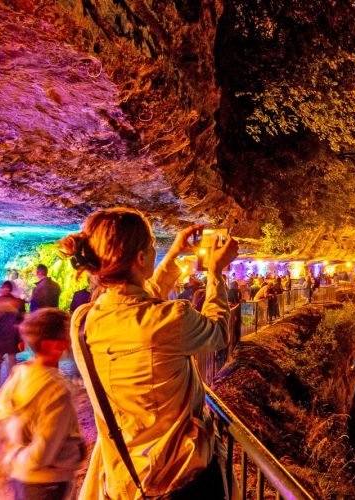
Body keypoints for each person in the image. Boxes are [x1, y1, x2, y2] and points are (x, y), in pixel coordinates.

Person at [58, 207, 237, 498]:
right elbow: (218, 332)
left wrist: (175, 253)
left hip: (123, 478)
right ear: (141, 258)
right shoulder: (171, 319)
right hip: (178, 476)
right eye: (153, 246)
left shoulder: (84, 322)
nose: (156, 250)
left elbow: (138, 302)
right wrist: (216, 275)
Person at [0, 308, 85, 500]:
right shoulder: (56, 390)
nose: (69, 343)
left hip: (21, 479)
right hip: (46, 483)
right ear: (54, 345)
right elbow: (42, 452)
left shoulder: (20, 373)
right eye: (66, 336)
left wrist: (11, 455)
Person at [0, 281, 26, 400]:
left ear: (3, 289)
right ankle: (12, 391)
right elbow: (22, 320)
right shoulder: (19, 303)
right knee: (12, 366)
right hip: (11, 338)